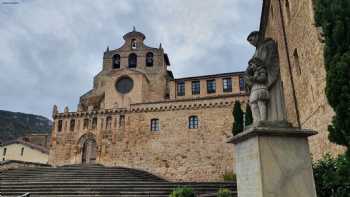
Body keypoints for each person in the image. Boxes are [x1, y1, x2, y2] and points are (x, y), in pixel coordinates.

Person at [246, 58, 269, 122]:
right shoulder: (252, 73)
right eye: (250, 65)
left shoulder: (261, 69)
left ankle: (263, 120)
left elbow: (263, 78)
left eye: (251, 64)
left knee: (261, 104)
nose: (250, 66)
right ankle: (257, 120)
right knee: (253, 105)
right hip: (254, 89)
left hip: (260, 88)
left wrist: (254, 78)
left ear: (255, 63)